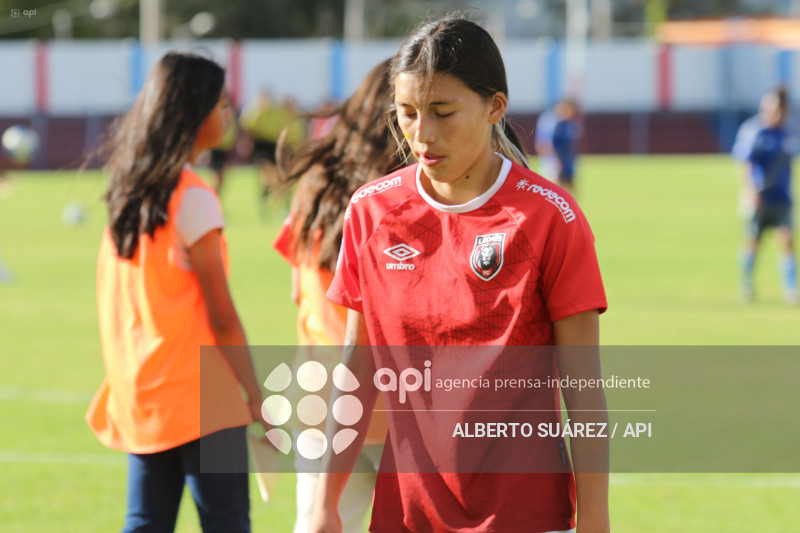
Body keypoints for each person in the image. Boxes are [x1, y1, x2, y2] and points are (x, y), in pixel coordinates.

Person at [309, 15, 609, 533]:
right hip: (406, 511)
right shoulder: (370, 213)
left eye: (443, 112)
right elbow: (355, 374)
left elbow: (582, 388)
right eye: (407, 113)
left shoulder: (550, 219)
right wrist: (322, 506)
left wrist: (597, 522)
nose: (422, 134)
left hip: (523, 513)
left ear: (495, 106)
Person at [85, 52, 263, 533]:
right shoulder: (195, 198)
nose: (229, 115)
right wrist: (256, 393)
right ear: (194, 112)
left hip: (143, 389)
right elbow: (223, 316)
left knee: (144, 523)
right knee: (227, 524)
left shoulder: (127, 192)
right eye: (222, 105)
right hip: (204, 393)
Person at [273, 59, 403, 533]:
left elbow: (297, 293)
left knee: (319, 522)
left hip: (320, 401)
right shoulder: (412, 197)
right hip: (403, 407)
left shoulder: (314, 185)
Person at [732, 87, 798, 304]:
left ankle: (791, 288)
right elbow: (745, 163)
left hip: (782, 197)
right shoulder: (755, 131)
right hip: (761, 197)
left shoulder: (788, 131)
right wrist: (750, 190)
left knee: (787, 240)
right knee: (753, 241)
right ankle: (746, 285)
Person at [535, 98, 581, 194]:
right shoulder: (550, 121)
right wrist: (555, 161)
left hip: (567, 162)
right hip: (553, 162)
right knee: (554, 192)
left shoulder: (567, 122)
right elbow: (543, 144)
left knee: (569, 192)